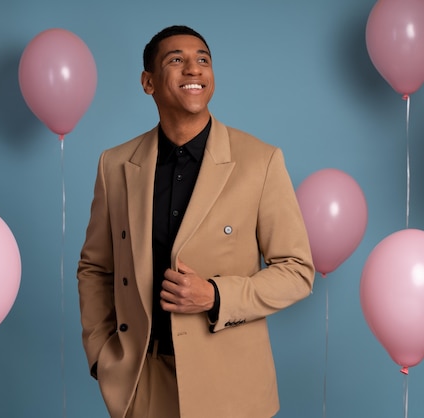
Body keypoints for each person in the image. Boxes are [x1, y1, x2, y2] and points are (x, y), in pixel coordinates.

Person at [77, 25, 315, 418]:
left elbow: (298, 271)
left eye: (202, 59)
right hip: (142, 380)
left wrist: (217, 296)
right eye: (177, 60)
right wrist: (101, 354)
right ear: (148, 82)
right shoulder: (115, 165)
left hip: (230, 384)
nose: (194, 69)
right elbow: (95, 268)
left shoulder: (260, 161)